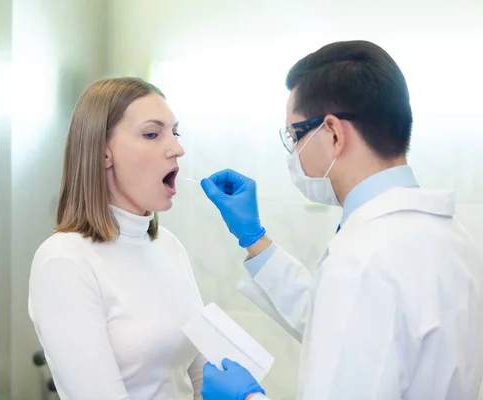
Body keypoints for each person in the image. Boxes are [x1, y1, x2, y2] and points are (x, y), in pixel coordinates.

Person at [199, 40, 483, 399]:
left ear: (333, 133)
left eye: (294, 136)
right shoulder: (452, 238)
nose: (294, 153)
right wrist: (254, 237)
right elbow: (346, 328)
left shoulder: (363, 259)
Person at [28, 77, 206, 399]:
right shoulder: (64, 260)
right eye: (152, 134)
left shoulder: (168, 246)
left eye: (174, 132)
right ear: (103, 153)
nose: (177, 148)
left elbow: (198, 376)